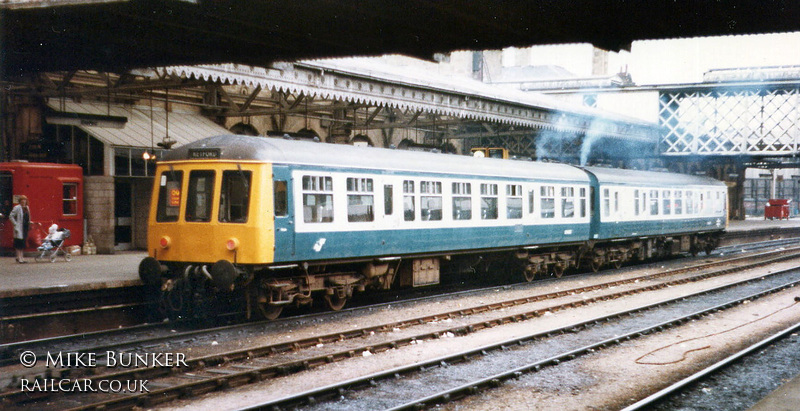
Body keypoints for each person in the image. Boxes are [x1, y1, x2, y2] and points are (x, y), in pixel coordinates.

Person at [9, 195, 31, 263]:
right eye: (22, 200)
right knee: (18, 243)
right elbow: (11, 216)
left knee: (23, 243)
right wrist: (15, 224)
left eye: (24, 200)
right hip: (19, 228)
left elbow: (28, 217)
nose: (23, 201)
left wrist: (30, 222)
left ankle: (21, 257)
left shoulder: (27, 207)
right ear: (20, 201)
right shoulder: (17, 208)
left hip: (25, 227)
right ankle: (19, 257)